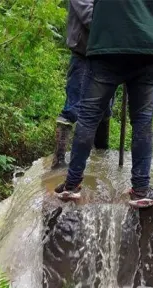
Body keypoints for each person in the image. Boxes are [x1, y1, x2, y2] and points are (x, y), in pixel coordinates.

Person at [54, 0, 153, 208]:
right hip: (148, 49)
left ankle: (72, 184)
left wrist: (112, 29)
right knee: (142, 121)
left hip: (107, 49)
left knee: (87, 118)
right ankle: (140, 190)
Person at [51, 0, 113, 169]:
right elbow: (89, 17)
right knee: (73, 108)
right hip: (83, 54)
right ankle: (58, 160)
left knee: (105, 109)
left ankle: (101, 157)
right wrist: (118, 31)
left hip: (106, 56)